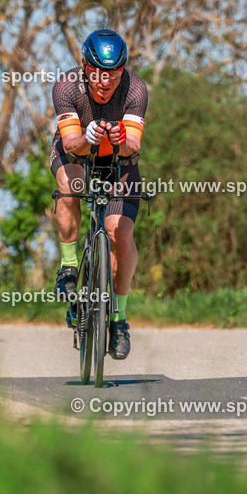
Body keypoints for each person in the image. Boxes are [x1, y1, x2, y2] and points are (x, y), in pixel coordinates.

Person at [50, 29, 147, 360]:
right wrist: (87, 135)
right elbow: (69, 144)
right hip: (77, 152)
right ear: (84, 66)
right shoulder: (66, 86)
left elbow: (134, 145)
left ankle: (118, 321)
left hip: (118, 159)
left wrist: (120, 137)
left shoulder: (134, 89)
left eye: (114, 74)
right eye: (98, 74)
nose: (106, 82)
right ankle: (68, 265)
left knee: (119, 232)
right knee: (69, 184)